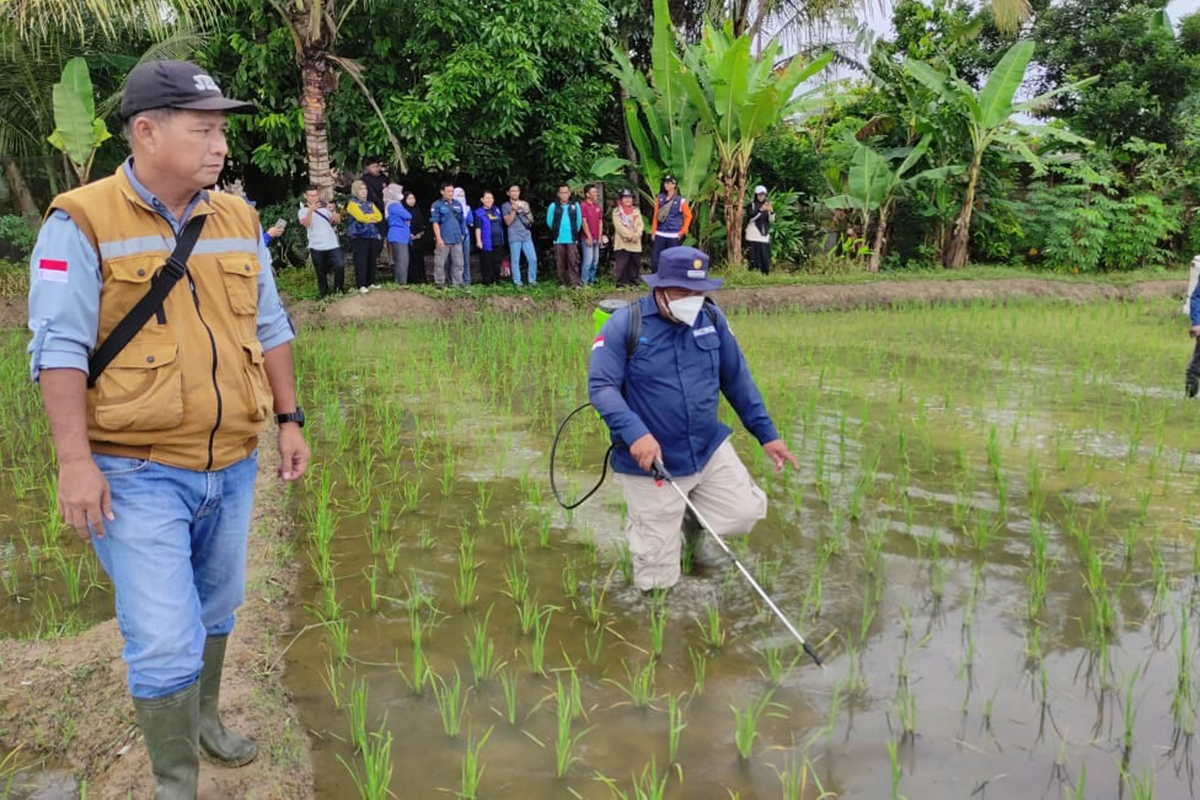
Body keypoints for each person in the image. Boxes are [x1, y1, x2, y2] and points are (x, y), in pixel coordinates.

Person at [25, 59, 310, 799]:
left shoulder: (238, 218)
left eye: (221, 131)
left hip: (232, 461)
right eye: (204, 129)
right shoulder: (79, 221)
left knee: (219, 607)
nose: (219, 146)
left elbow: (270, 324)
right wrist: (72, 462)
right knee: (162, 637)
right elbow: (57, 348)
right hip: (134, 468)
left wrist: (288, 418)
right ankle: (174, 781)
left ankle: (207, 719)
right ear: (146, 132)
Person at [588, 246, 797, 591]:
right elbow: (602, 387)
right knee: (656, 577)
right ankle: (658, 628)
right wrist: (636, 433)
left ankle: (688, 516)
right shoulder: (625, 325)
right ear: (660, 287)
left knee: (743, 512)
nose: (693, 299)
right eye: (684, 292)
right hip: (652, 460)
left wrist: (767, 434)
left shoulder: (712, 320)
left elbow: (737, 379)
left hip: (705, 447)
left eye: (699, 292)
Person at [299, 185, 344, 297]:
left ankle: (339, 290)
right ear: (305, 196)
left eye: (315, 195)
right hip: (316, 245)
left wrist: (334, 212)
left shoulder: (324, 208)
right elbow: (306, 224)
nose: (314, 198)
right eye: (311, 195)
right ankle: (324, 294)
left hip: (332, 243)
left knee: (339, 266)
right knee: (321, 272)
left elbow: (337, 220)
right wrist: (310, 211)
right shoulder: (302, 211)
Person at [346, 180, 382, 292]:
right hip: (359, 235)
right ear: (355, 191)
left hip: (371, 235)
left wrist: (368, 217)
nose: (363, 192)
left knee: (372, 259)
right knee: (361, 260)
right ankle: (361, 285)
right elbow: (360, 217)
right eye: (360, 189)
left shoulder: (370, 203)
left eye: (365, 189)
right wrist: (370, 218)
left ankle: (370, 282)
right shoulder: (352, 204)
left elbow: (379, 216)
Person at [650, 176, 692, 271]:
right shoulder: (660, 198)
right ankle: (656, 277)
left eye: (670, 183)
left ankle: (672, 278)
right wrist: (653, 231)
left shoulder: (681, 201)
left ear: (674, 185)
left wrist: (683, 230)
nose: (667, 185)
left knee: (673, 257)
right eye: (666, 183)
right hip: (660, 232)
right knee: (656, 257)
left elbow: (688, 216)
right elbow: (655, 215)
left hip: (673, 234)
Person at [431, 181, 466, 288]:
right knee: (440, 263)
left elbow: (461, 220)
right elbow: (435, 222)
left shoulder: (457, 204)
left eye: (452, 191)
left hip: (456, 238)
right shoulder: (437, 205)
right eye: (448, 191)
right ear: (442, 192)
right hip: (444, 238)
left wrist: (462, 234)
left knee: (458, 263)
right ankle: (440, 283)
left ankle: (457, 284)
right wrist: (439, 238)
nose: (451, 193)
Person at [546, 184, 582, 288]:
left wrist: (574, 232)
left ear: (569, 194)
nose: (564, 195)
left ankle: (575, 283)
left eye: (566, 192)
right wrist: (556, 231)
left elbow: (579, 221)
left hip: (571, 238)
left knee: (573, 260)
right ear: (558, 194)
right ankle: (562, 283)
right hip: (559, 238)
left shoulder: (575, 205)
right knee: (560, 261)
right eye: (562, 193)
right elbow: (549, 221)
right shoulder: (553, 206)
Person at [502, 184, 537, 286]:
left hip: (526, 234)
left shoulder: (524, 203)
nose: (515, 193)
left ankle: (532, 280)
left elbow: (531, 220)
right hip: (514, 235)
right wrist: (513, 210)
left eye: (517, 191)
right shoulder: (505, 206)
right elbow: (507, 222)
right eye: (512, 191)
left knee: (533, 258)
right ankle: (517, 282)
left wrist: (526, 211)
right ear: (508, 193)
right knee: (515, 259)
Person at [360, 157, 390, 266]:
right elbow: (371, 196)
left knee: (383, 235)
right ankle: (374, 259)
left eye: (377, 166)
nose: (376, 169)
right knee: (376, 235)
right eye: (373, 167)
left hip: (385, 209)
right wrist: (381, 206)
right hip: (372, 210)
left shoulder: (383, 177)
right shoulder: (365, 179)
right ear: (367, 168)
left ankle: (382, 258)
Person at [611, 188, 644, 287]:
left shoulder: (636, 211)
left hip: (635, 242)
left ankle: (634, 281)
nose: (627, 200)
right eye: (625, 198)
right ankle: (621, 283)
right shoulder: (617, 212)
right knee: (622, 263)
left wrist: (637, 235)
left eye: (629, 198)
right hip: (622, 242)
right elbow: (619, 227)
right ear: (621, 199)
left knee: (635, 263)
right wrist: (630, 236)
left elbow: (640, 225)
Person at [474, 191, 506, 285]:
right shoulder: (479, 212)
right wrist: (478, 240)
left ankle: (497, 280)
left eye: (491, 198)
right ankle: (487, 282)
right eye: (487, 198)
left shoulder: (496, 210)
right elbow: (478, 228)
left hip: (498, 240)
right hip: (486, 241)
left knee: (497, 262)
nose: (489, 200)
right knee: (486, 262)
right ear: (482, 200)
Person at [384, 183, 412, 285]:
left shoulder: (391, 204)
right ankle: (401, 283)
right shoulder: (394, 205)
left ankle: (400, 282)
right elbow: (408, 215)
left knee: (402, 260)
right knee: (402, 261)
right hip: (398, 235)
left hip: (401, 236)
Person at [745, 185, 775, 274]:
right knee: (754, 257)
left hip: (764, 235)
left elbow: (771, 220)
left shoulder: (767, 205)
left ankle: (765, 274)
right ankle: (753, 274)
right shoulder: (751, 205)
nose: (761, 196)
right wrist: (760, 210)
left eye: (763, 195)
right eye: (759, 194)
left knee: (765, 257)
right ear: (756, 195)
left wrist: (771, 212)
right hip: (753, 235)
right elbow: (750, 219)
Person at [581, 184, 603, 286]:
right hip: (587, 238)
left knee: (595, 261)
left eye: (596, 192)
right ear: (587, 194)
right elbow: (584, 222)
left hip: (596, 237)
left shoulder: (597, 207)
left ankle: (592, 280)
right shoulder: (583, 206)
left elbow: (600, 222)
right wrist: (589, 236)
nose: (596, 194)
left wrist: (599, 237)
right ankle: (584, 281)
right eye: (594, 192)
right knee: (588, 260)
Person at [406, 191, 427, 284]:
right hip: (407, 240)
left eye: (413, 198)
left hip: (418, 239)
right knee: (410, 259)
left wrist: (419, 234)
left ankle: (420, 279)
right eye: (409, 199)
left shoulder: (417, 210)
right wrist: (409, 234)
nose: (412, 201)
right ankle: (411, 279)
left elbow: (423, 225)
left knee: (419, 259)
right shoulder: (404, 211)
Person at [453, 187, 474, 286]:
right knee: (456, 260)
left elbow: (470, 222)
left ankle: (467, 281)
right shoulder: (451, 208)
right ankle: (457, 281)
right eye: (458, 195)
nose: (461, 197)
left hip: (466, 236)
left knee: (466, 259)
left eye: (462, 195)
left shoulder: (467, 208)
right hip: (454, 236)